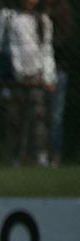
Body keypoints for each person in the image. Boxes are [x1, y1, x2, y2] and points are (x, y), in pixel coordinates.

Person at [0, 0, 56, 166]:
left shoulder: (43, 20)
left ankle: (42, 156)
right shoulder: (8, 17)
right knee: (15, 119)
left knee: (39, 117)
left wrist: (48, 77)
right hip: (15, 78)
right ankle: (16, 157)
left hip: (36, 77)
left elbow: (46, 50)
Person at [44, 0, 75, 167]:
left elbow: (63, 42)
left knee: (55, 115)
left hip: (57, 70)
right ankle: (41, 155)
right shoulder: (39, 14)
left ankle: (55, 155)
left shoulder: (62, 10)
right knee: (41, 114)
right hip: (40, 70)